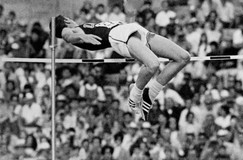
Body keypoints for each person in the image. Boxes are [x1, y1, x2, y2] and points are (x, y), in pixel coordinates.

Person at [51, 14, 191, 121]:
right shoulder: (69, 32)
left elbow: (83, 29)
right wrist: (81, 37)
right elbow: (68, 36)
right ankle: (134, 96)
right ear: (64, 23)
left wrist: (78, 28)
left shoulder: (79, 27)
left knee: (183, 58)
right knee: (153, 64)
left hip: (134, 29)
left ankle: (150, 94)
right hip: (119, 36)